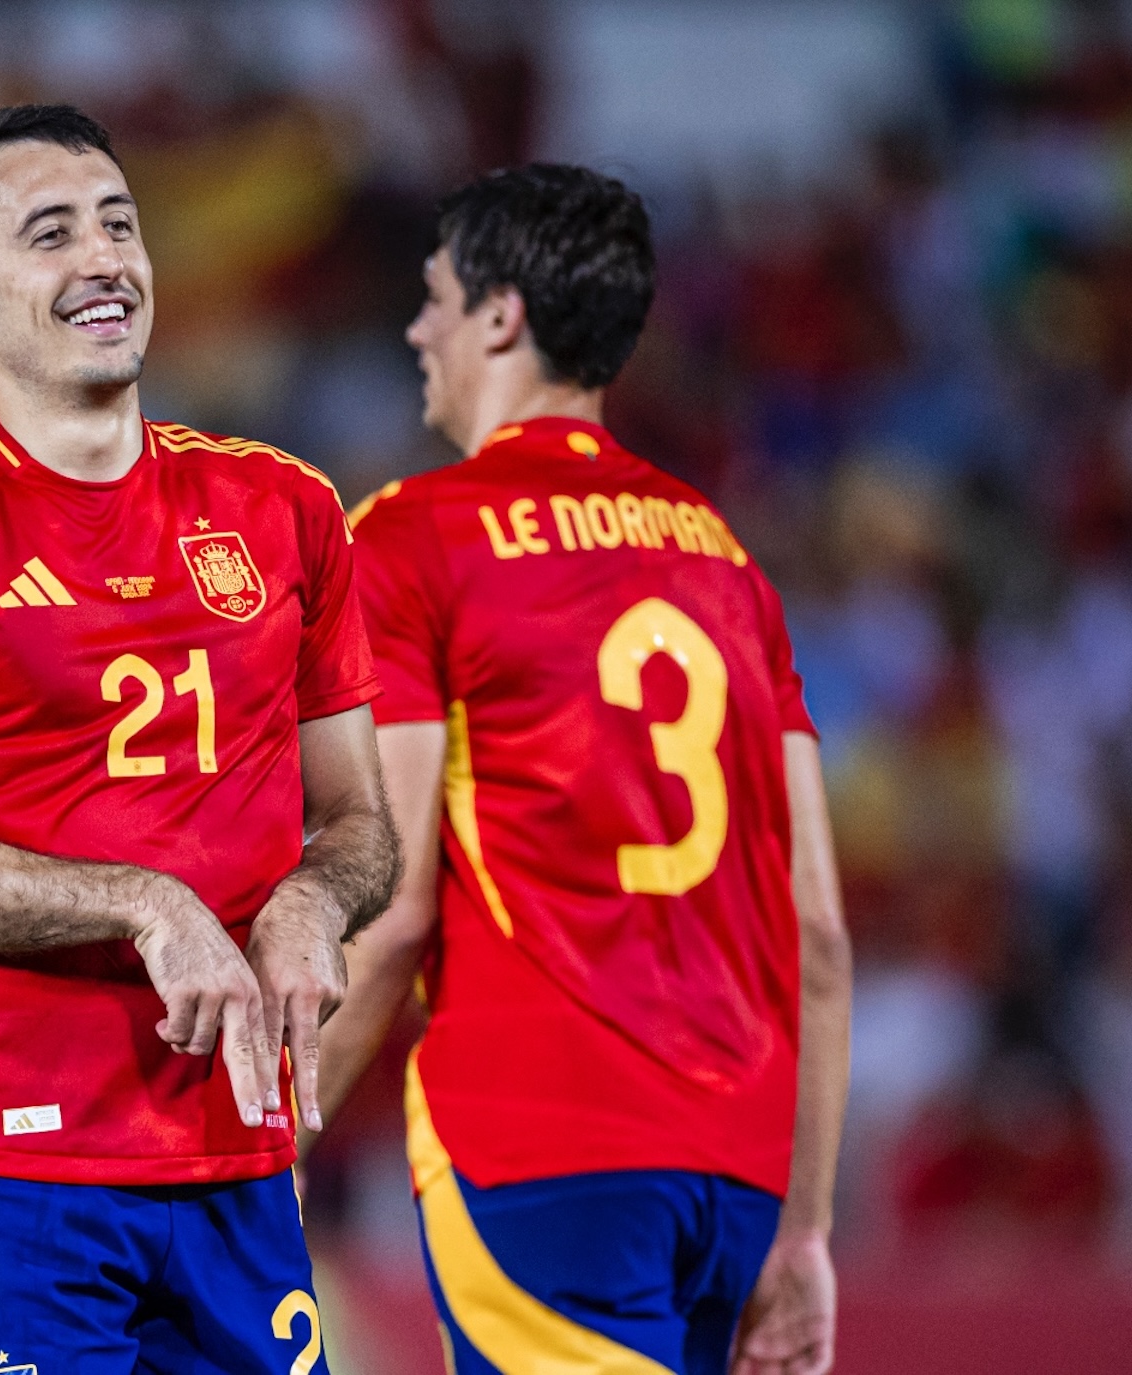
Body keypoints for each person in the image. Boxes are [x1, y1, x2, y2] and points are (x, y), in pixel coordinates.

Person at [0, 104, 400, 1374]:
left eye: (121, 225)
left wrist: (310, 901)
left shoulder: (285, 506)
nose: (106, 259)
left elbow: (361, 827)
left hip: (240, 1156)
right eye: (53, 232)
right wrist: (145, 905)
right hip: (14, 1172)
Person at [315, 164, 853, 1375]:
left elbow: (392, 906)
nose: (417, 329)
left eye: (435, 296)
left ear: (501, 316)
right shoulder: (728, 562)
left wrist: (258, 1145)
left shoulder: (407, 537)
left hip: (543, 1152)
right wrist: (807, 1228)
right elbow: (816, 930)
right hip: (738, 1173)